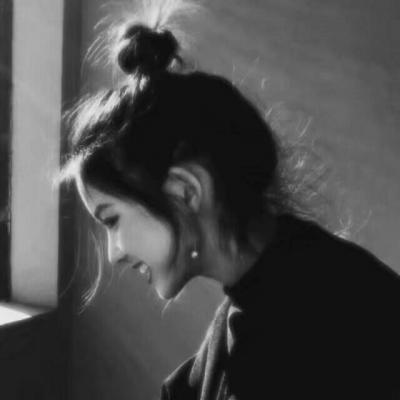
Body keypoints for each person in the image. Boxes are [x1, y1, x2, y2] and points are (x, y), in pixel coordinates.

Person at [58, 2, 400, 399]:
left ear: (186, 190)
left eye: (112, 219)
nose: (114, 253)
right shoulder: (273, 293)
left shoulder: (321, 324)